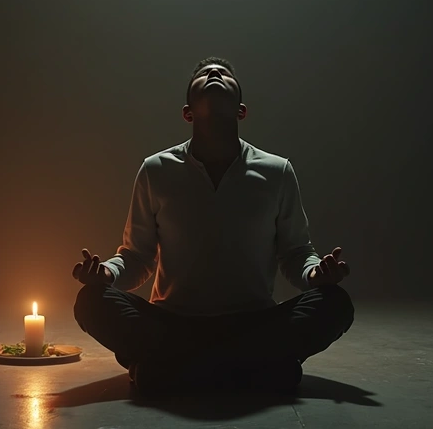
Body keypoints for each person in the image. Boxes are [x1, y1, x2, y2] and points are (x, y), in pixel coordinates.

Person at [71, 57, 354, 397]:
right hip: (173, 324)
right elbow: (136, 257)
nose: (215, 74)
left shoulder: (277, 171)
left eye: (223, 74)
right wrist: (107, 274)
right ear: (188, 112)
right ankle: (256, 371)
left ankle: (169, 372)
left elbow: (296, 253)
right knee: (91, 301)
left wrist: (315, 274)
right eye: (205, 74)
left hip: (253, 323)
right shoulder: (156, 170)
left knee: (335, 303)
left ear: (241, 110)